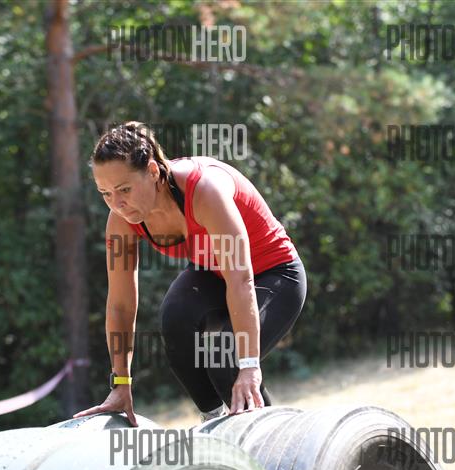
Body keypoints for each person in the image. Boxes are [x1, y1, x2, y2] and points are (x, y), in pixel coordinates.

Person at [73, 122, 306, 426]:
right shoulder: (121, 220)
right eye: (105, 193)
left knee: (227, 358)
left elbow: (240, 279)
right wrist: (120, 383)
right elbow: (120, 305)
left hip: (274, 273)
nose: (117, 204)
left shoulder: (204, 191)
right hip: (213, 272)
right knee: (176, 318)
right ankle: (213, 423)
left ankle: (271, 441)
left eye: (124, 189)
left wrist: (249, 366)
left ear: (153, 172)